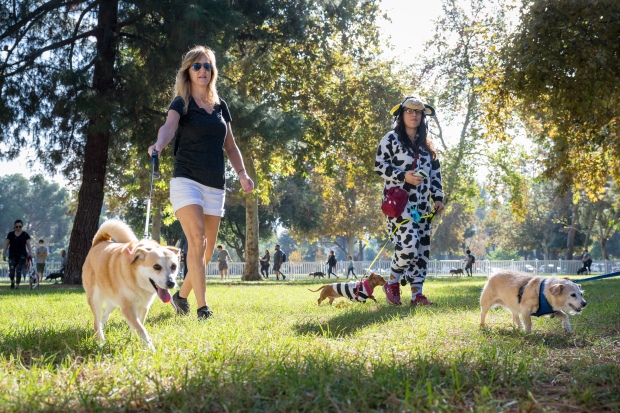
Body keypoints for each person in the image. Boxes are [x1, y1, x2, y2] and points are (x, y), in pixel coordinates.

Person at [147, 46, 254, 320]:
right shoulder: (181, 103)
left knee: (205, 251)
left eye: (207, 66)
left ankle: (181, 297)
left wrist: (241, 174)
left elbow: (230, 145)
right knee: (197, 238)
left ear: (212, 70)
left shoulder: (220, 105)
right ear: (188, 71)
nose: (203, 70)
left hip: (214, 184)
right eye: (197, 66)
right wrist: (159, 144)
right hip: (186, 179)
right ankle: (203, 308)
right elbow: (168, 127)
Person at [374, 96, 444, 306]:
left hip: (422, 207)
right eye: (409, 111)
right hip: (399, 205)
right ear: (401, 114)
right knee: (409, 245)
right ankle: (392, 282)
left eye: (418, 112)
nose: (414, 115)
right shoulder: (391, 139)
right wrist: (403, 176)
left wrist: (438, 197)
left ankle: (417, 295)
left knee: (422, 250)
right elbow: (379, 166)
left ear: (423, 116)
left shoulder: (428, 146)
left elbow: (436, 174)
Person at [3, 220, 32, 289]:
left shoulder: (25, 235)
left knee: (18, 269)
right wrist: (3, 253)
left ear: (22, 227)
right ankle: (12, 281)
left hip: (22, 255)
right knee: (12, 270)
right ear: (14, 226)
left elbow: (28, 245)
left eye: (20, 226)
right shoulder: (10, 234)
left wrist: (30, 253)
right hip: (12, 255)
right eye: (17, 226)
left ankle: (17, 285)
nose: (18, 228)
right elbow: (6, 244)